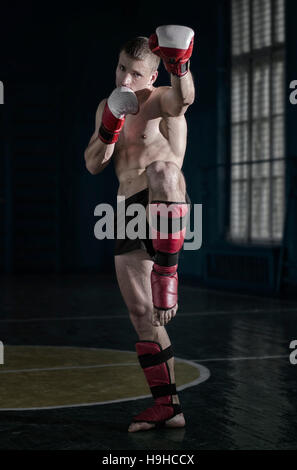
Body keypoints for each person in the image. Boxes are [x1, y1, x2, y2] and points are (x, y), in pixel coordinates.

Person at [84, 25, 195, 432]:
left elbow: (184, 99)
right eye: (120, 69)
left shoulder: (161, 100)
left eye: (134, 73)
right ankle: (168, 407)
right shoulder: (107, 105)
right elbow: (94, 164)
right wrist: (109, 124)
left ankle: (168, 272)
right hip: (125, 210)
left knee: (165, 170)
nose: (125, 80)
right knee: (142, 315)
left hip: (164, 203)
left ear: (152, 76)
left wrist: (179, 65)